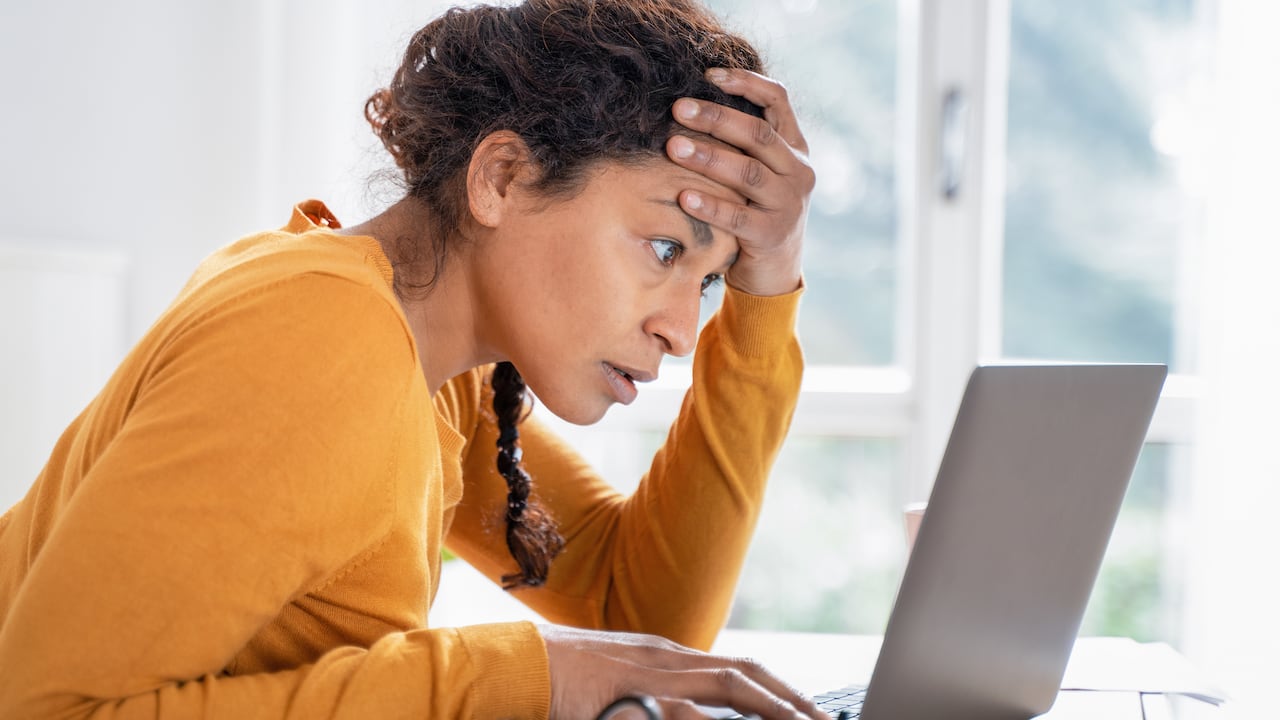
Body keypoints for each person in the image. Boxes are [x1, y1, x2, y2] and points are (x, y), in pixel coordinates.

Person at [0, 0, 817, 716]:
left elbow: (635, 613)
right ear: (501, 176)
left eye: (708, 285)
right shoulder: (319, 340)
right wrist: (521, 678)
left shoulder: (435, 369)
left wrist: (768, 289)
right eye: (666, 247)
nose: (681, 329)